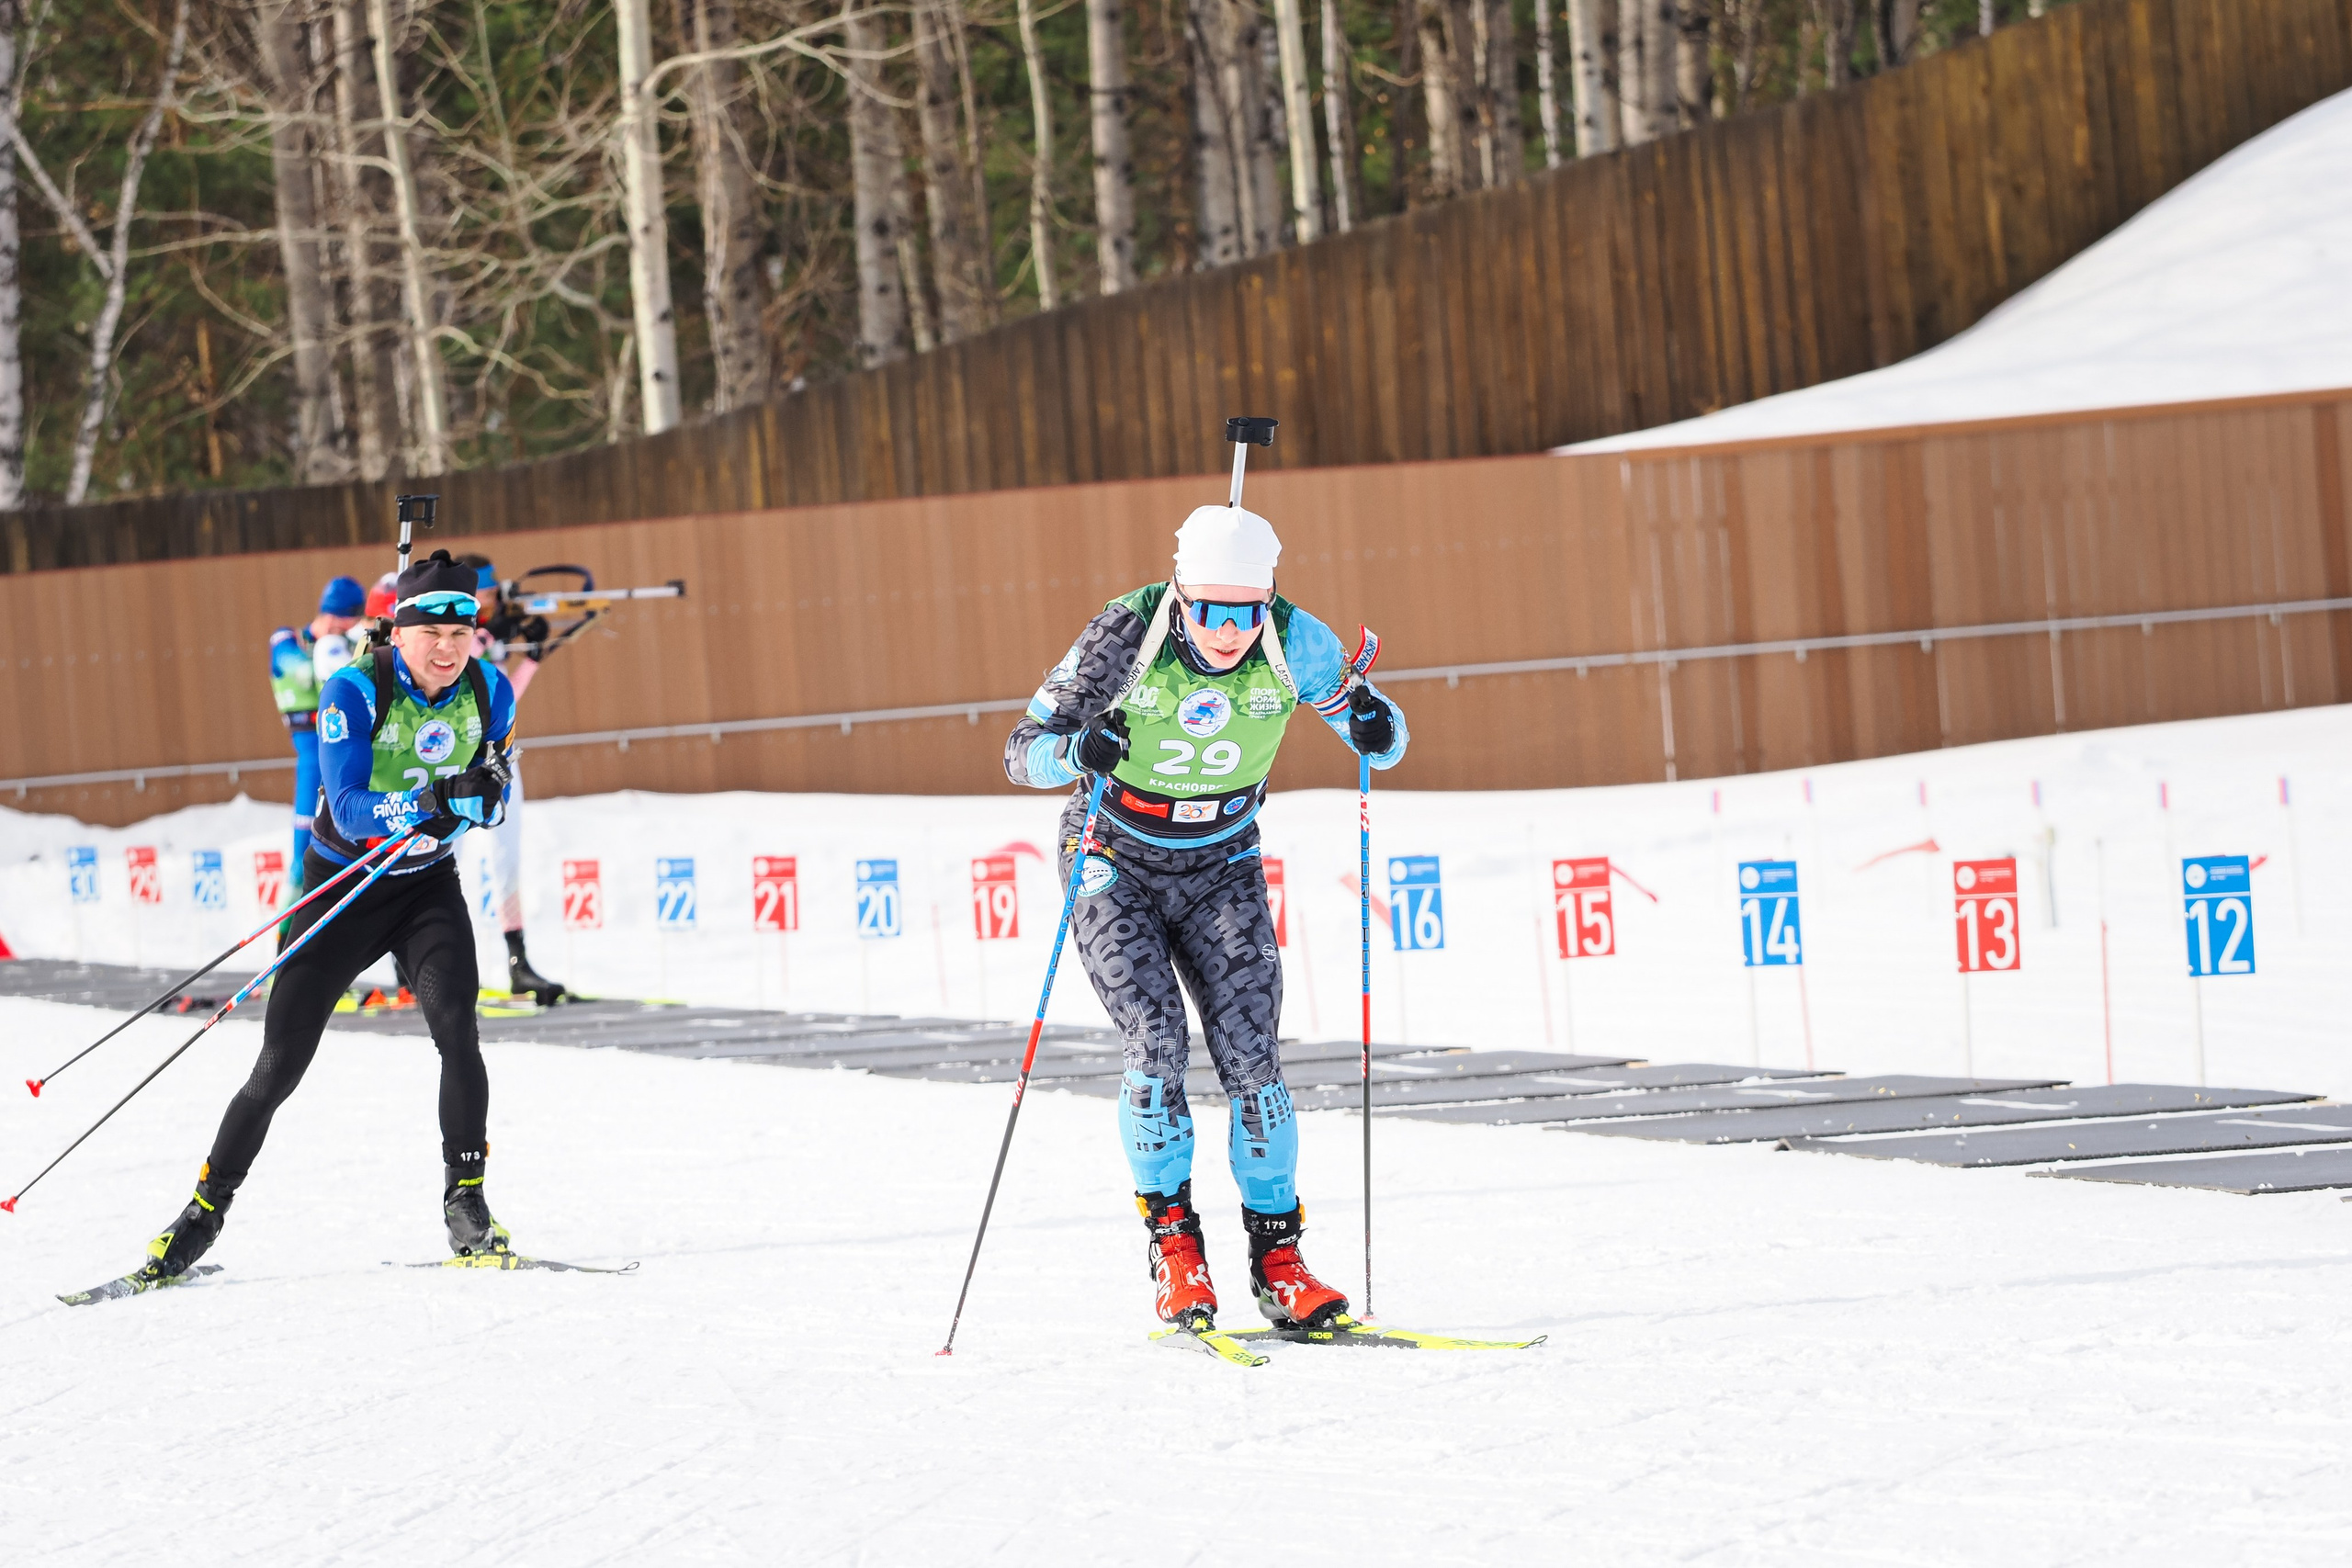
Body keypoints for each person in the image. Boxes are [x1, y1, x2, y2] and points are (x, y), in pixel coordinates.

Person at [1003, 504, 1408, 1333]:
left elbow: (1383, 738)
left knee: (1254, 1055)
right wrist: (1078, 751)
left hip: (1221, 862)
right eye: (1211, 610)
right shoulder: (1128, 632)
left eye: (1246, 611)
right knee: (1156, 1037)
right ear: (1181, 594)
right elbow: (1020, 751)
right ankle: (1176, 1250)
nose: (1229, 631)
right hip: (1113, 854)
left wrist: (1376, 722)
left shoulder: (1295, 640)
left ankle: (1279, 1262)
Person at [139, 550, 520, 1281]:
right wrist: (435, 798)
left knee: (458, 1031)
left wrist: (480, 797)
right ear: (400, 633)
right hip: (340, 887)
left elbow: (494, 786)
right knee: (278, 1065)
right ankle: (203, 1212)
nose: (447, 649)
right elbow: (347, 808)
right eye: (432, 633)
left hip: (423, 887)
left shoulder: (488, 689)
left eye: (461, 632)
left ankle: (466, 1201)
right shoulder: (354, 689)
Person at [453, 553, 569, 1005]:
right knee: (445, 858)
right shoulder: (451, 634)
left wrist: (533, 657)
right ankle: (422, 963)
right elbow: (459, 664)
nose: (492, 598)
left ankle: (518, 961)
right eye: (484, 591)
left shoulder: (489, 633)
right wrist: (487, 636)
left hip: (497, 753)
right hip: (454, 757)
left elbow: (504, 698)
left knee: (507, 856)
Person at [266, 576, 366, 882]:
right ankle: (291, 911)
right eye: (345, 620)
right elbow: (298, 670)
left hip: (347, 746)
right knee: (304, 851)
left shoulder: (350, 643)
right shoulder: (288, 639)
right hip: (311, 747)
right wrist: (327, 653)